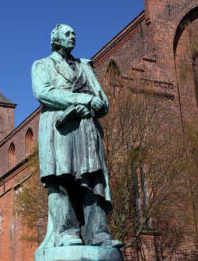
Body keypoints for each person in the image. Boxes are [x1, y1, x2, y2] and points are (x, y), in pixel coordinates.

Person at [31, 24, 122, 248]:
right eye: (68, 34)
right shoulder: (42, 65)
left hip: (86, 128)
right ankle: (66, 232)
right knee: (60, 180)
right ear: (56, 38)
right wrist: (83, 100)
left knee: (93, 181)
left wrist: (92, 107)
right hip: (58, 130)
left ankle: (99, 235)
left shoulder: (85, 66)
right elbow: (43, 92)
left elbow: (103, 102)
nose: (73, 37)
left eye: (74, 34)